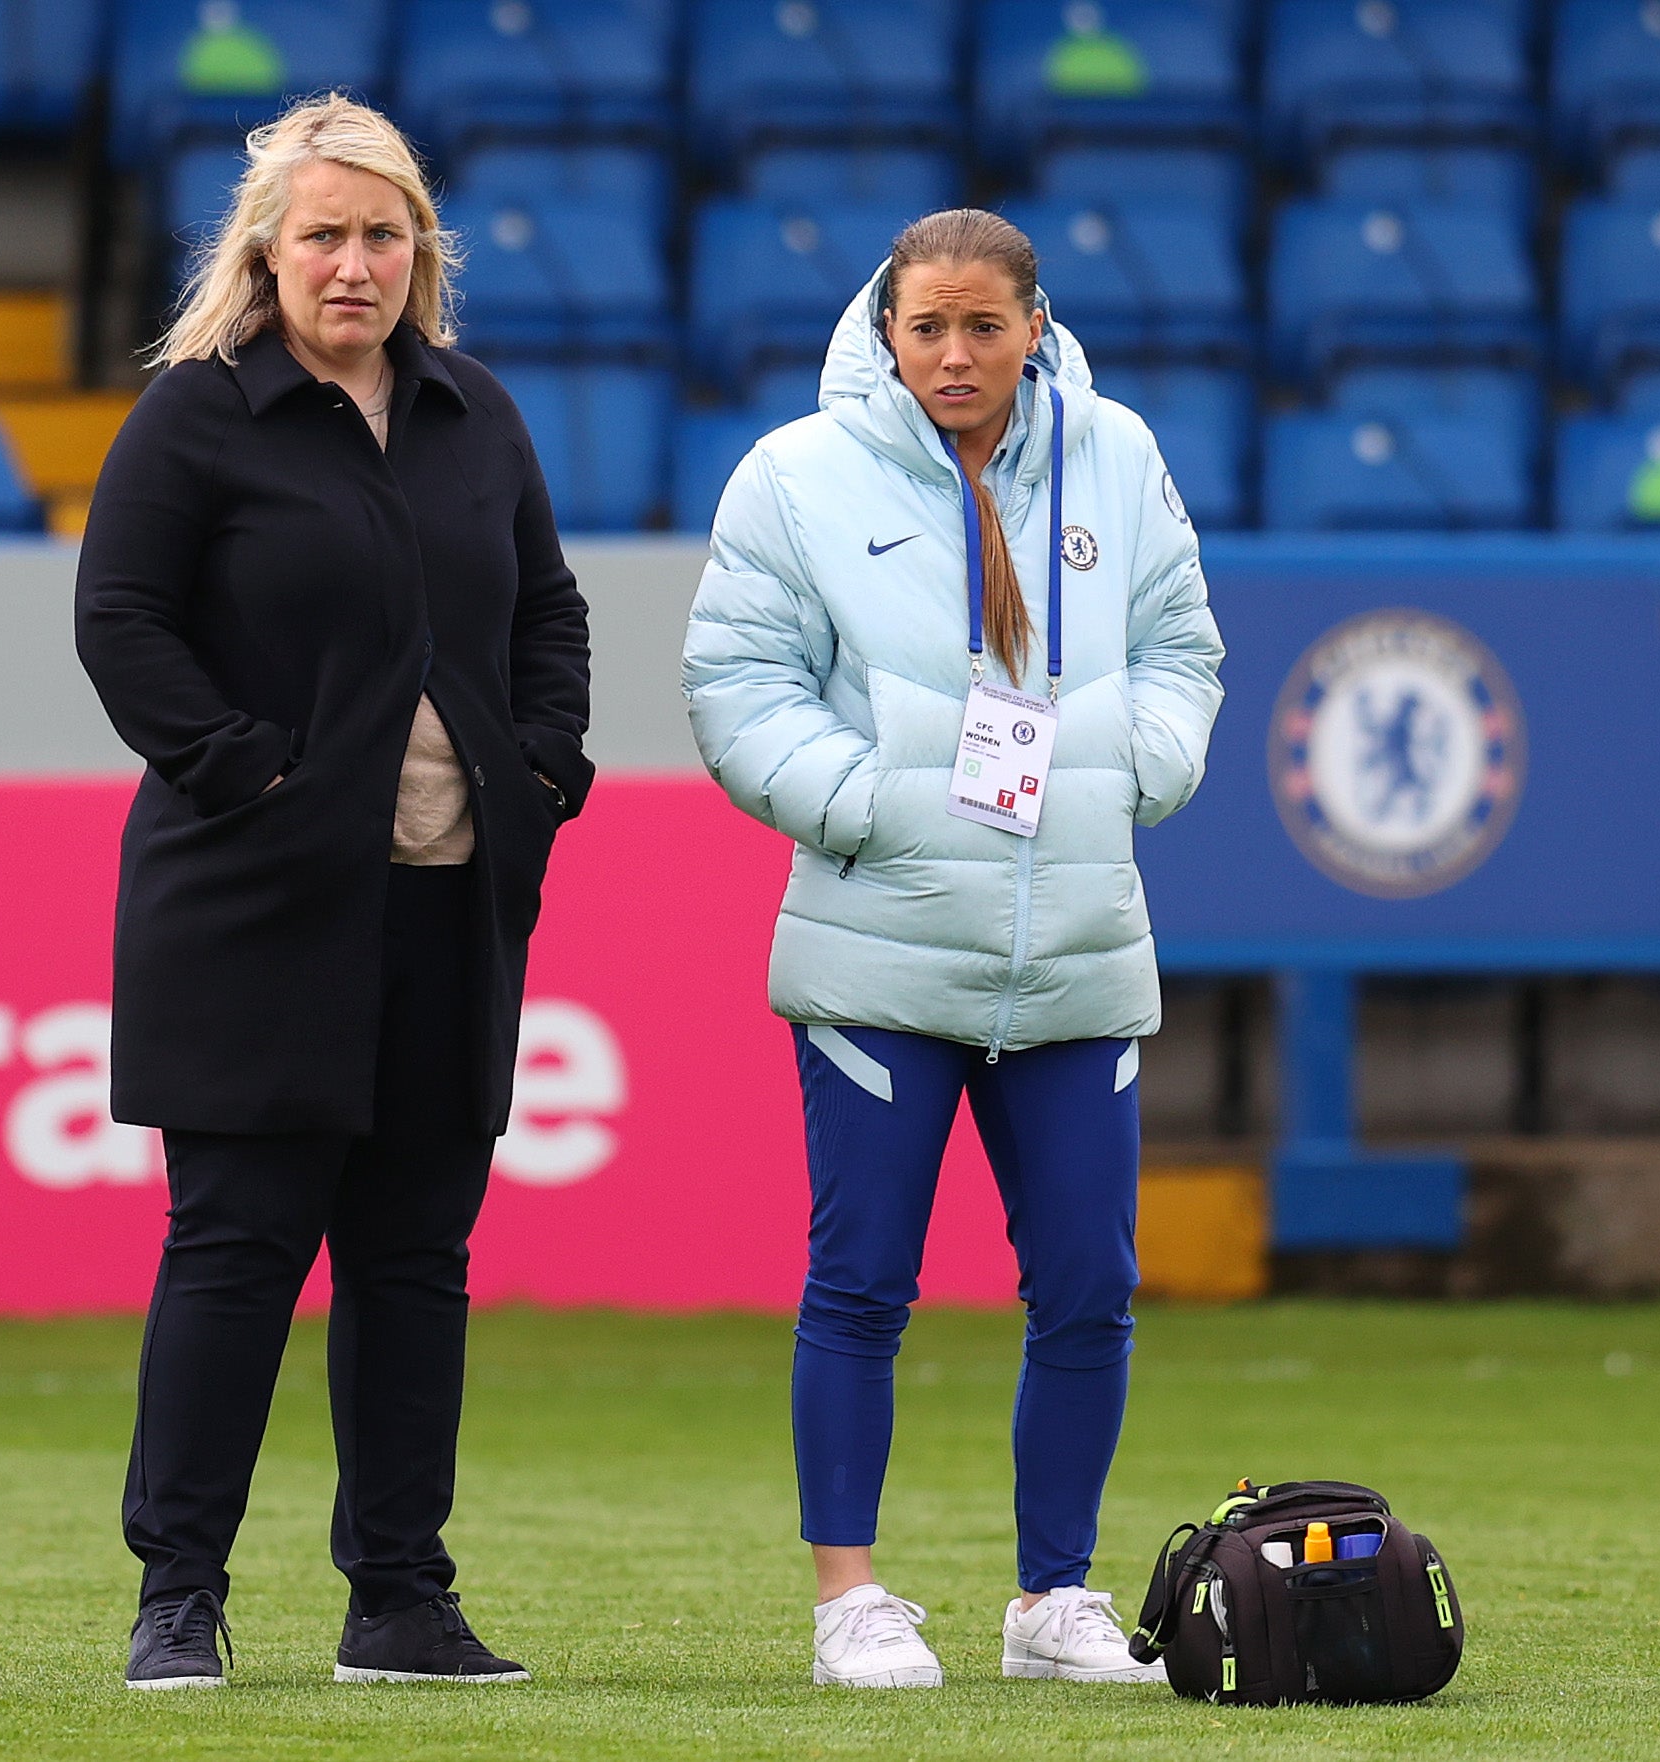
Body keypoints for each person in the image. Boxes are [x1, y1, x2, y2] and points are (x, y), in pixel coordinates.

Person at [74, 93, 592, 1691]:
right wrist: (254, 779)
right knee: (233, 1250)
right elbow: (123, 624)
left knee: (414, 1261)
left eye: (382, 234)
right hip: (253, 915)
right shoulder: (194, 418)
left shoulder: (475, 415)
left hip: (447, 909)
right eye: (324, 234)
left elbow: (549, 613)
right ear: (267, 251)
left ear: (418, 252)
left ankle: (400, 1599)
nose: (354, 263)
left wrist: (547, 765)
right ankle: (180, 1594)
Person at [682, 209, 1224, 1691]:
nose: (956, 356)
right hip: (883, 942)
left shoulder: (1116, 452)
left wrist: (1136, 775)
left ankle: (1055, 1595)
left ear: (1033, 326)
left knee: (1089, 1286)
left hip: (1075, 949)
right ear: (886, 327)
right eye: (928, 327)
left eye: (986, 326)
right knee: (861, 1281)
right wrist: (869, 808)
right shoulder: (794, 476)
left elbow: (1184, 647)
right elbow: (736, 683)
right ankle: (849, 1597)